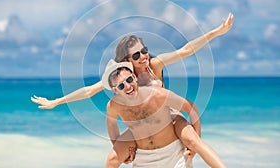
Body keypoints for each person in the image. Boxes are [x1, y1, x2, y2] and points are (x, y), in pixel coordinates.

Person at [31, 13, 234, 164]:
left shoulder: (155, 65)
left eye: (144, 51)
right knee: (113, 157)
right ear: (127, 60)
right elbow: (88, 91)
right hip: (141, 124)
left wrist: (217, 32)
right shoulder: (125, 78)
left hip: (169, 118)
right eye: (136, 55)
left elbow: (186, 50)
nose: (143, 57)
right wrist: (56, 101)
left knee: (193, 139)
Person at [102, 59, 226, 168]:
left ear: (135, 77)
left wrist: (195, 140)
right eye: (121, 86)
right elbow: (111, 125)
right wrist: (123, 152)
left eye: (129, 80)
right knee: (112, 159)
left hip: (171, 150)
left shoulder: (157, 95)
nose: (128, 86)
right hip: (144, 156)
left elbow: (191, 108)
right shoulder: (114, 106)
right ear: (115, 90)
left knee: (195, 142)